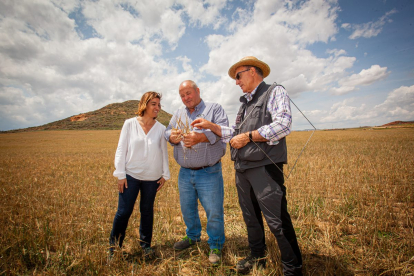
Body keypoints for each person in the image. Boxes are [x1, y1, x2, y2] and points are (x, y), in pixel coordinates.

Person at [191, 56, 303, 275]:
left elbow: (283, 124)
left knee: (277, 220)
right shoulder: (244, 104)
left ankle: (293, 266)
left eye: (238, 76)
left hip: (265, 169)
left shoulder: (274, 91)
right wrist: (212, 126)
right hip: (242, 169)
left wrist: (249, 137)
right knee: (250, 216)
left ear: (253, 71)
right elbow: (235, 133)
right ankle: (257, 255)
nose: (236, 82)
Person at [164, 80, 229, 265]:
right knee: (187, 209)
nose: (186, 98)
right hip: (185, 172)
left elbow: (224, 132)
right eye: (182, 95)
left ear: (197, 91)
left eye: (188, 93)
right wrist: (172, 137)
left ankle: (216, 244)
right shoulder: (178, 113)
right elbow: (167, 132)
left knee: (213, 211)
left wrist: (200, 137)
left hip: (209, 171)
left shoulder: (214, 109)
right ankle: (192, 236)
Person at [109, 91, 170, 260]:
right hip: (131, 176)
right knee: (123, 212)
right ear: (144, 105)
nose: (157, 108)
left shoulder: (161, 129)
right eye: (154, 104)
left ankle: (146, 246)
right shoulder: (129, 124)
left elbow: (164, 152)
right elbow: (121, 149)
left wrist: (165, 174)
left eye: (159, 105)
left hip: (152, 178)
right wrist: (120, 174)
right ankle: (114, 248)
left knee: (147, 212)